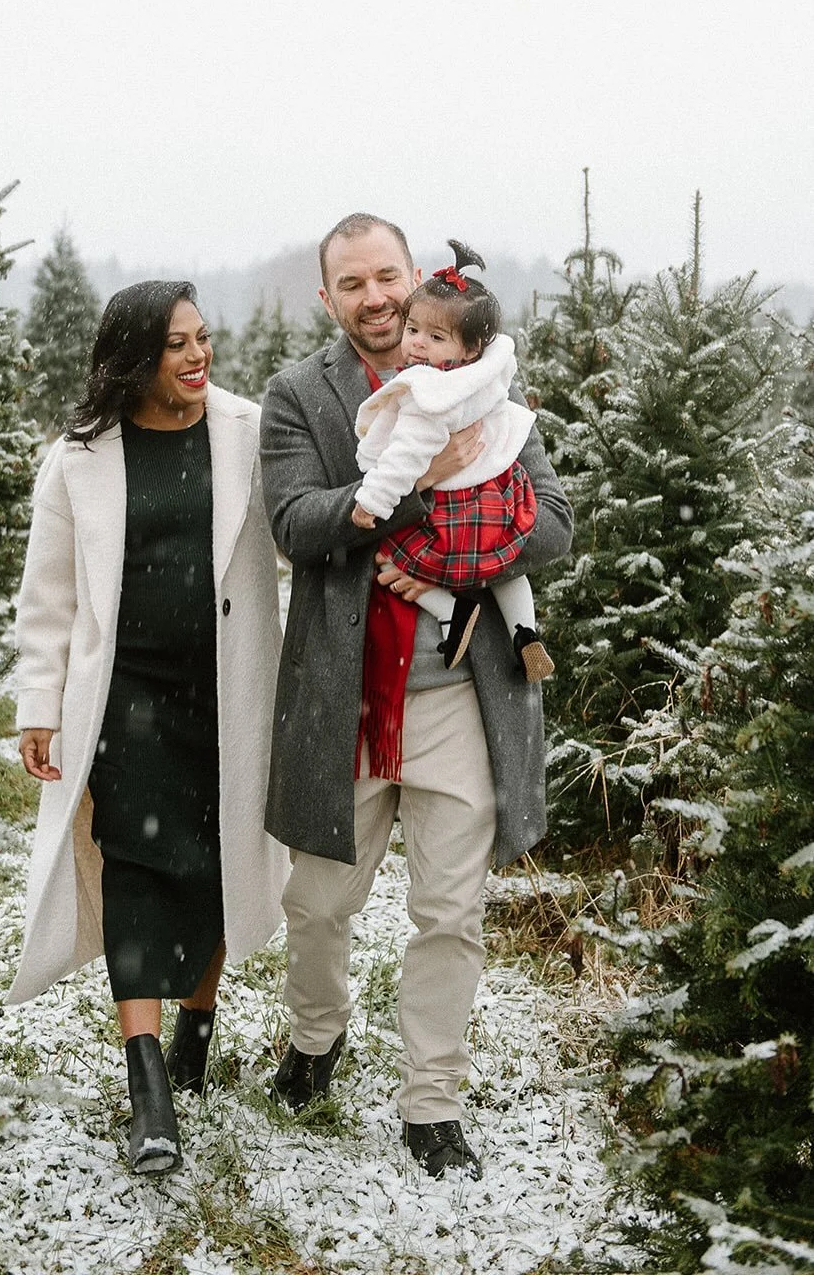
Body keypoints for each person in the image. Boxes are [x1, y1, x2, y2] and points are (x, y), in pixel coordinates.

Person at [259, 214, 573, 1179]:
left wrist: (459, 557)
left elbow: (555, 524)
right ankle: (317, 1036)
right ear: (329, 298)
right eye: (352, 284)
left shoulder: (479, 377)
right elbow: (296, 524)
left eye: (387, 276)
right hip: (345, 698)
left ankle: (432, 1101)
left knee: (450, 910)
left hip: (456, 699)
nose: (377, 298)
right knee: (318, 901)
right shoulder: (298, 395)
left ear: (413, 277)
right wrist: (423, 484)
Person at [7, 279, 289, 1177]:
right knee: (133, 863)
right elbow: (48, 597)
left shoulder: (246, 433)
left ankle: (197, 1026)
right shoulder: (79, 458)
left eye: (202, 337)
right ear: (136, 358)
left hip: (226, 694)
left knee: (213, 862)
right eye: (176, 344)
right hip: (124, 702)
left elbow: (299, 538)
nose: (198, 355)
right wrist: (39, 705)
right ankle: (148, 1086)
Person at [351, 238, 554, 683]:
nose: (418, 345)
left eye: (436, 337)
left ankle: (450, 609)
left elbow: (405, 455)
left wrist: (373, 501)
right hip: (498, 497)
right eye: (413, 331)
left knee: (388, 555)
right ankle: (525, 631)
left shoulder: (427, 391)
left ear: (469, 347)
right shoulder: (484, 375)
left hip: (449, 513)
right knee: (506, 554)